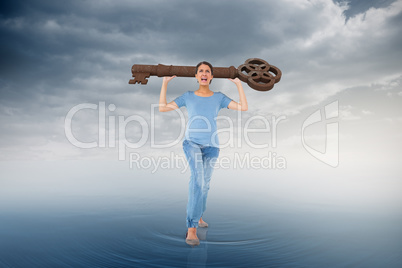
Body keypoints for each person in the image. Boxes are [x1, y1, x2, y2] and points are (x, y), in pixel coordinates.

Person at [159, 61, 248, 246]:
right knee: (198, 180)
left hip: (212, 147)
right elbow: (163, 107)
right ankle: (191, 228)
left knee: (205, 185)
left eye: (208, 71)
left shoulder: (219, 98)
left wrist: (239, 84)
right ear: (196, 76)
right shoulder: (188, 96)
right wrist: (165, 83)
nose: (204, 73)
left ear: (212, 76)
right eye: (201, 71)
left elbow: (243, 107)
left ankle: (199, 216)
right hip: (191, 144)